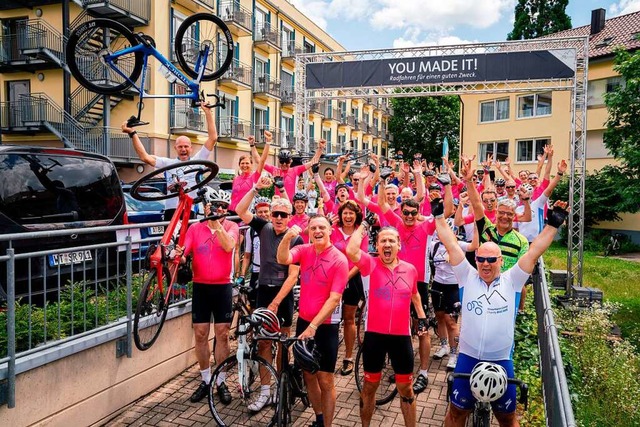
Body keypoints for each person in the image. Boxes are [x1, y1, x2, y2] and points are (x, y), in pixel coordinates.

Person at [431, 193, 569, 427]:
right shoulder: (466, 276)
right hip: (468, 357)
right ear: (475, 259)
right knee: (455, 415)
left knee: (507, 419)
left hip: (501, 360)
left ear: (500, 260)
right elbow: (449, 241)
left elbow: (534, 250)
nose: (486, 264)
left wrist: (553, 224)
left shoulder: (512, 279)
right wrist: (437, 215)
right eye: (481, 259)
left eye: (491, 260)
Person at [376, 172, 454, 395]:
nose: (409, 216)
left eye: (413, 213)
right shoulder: (397, 224)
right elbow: (382, 203)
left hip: (418, 283)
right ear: (402, 212)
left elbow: (447, 211)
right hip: (396, 282)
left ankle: (424, 372)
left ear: (419, 213)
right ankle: (405, 367)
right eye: (406, 213)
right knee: (403, 329)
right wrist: (382, 181)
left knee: (422, 329)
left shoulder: (425, 226)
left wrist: (446, 185)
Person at [346, 223, 427, 427]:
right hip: (375, 336)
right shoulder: (369, 264)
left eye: (392, 240)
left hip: (401, 337)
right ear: (377, 245)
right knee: (370, 386)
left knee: (406, 388)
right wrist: (364, 225)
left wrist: (422, 317)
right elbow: (351, 250)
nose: (387, 244)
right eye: (383, 241)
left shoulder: (410, 270)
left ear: (399, 245)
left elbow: (415, 295)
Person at [236, 176, 303, 411]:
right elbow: (239, 210)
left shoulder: (296, 237)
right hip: (264, 290)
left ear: (290, 217)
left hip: (283, 295)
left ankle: (279, 389)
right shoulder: (262, 227)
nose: (279, 218)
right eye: (275, 214)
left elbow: (293, 276)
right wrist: (255, 188)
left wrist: (276, 303)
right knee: (264, 342)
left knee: (283, 345)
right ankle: (265, 391)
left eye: (283, 215)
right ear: (271, 215)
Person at [277, 216, 349, 427]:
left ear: (330, 231)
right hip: (304, 323)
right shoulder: (305, 250)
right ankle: (318, 418)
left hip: (325, 327)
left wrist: (313, 326)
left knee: (325, 380)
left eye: (322, 228)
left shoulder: (339, 259)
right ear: (309, 231)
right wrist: (288, 237)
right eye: (313, 228)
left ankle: (327, 424)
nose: (317, 231)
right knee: (308, 374)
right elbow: (283, 258)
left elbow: (334, 298)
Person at [175, 189, 239, 404]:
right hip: (201, 286)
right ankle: (205, 379)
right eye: (215, 205)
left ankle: (220, 380)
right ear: (208, 205)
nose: (219, 209)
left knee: (222, 334)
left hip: (223, 287)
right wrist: (177, 257)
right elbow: (184, 256)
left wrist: (216, 222)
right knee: (201, 334)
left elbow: (229, 246)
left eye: (223, 206)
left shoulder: (232, 227)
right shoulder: (195, 228)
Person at [122, 104, 218, 221]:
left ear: (191, 148)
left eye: (186, 146)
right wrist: (133, 134)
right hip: (171, 209)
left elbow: (212, 138)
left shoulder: (197, 160)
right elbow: (145, 157)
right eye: (180, 147)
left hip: (189, 208)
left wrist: (208, 112)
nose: (183, 149)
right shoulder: (168, 163)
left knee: (186, 237)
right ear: (175, 148)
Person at [329, 200, 368, 376]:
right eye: (345, 213)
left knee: (349, 318)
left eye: (351, 213)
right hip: (332, 278)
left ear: (356, 215)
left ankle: (349, 357)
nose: (348, 216)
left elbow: (361, 259)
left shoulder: (361, 232)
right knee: (330, 317)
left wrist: (345, 277)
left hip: (353, 278)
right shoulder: (332, 230)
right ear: (341, 214)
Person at [238, 196, 271, 308]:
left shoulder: (276, 228)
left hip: (270, 273)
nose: (263, 214)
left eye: (266, 211)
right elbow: (247, 256)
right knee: (253, 305)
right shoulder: (250, 231)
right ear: (255, 213)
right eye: (260, 212)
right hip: (256, 272)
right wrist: (242, 275)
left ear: (271, 212)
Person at [228, 133, 270, 212]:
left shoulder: (254, 177)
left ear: (251, 164)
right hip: (231, 211)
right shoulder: (236, 179)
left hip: (245, 213)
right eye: (242, 163)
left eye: (247, 163)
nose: (245, 165)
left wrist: (266, 143)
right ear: (239, 165)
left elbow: (262, 160)